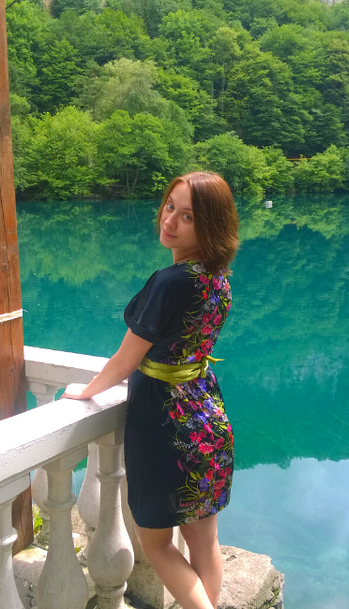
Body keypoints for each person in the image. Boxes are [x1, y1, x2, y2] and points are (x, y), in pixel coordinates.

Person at [64, 171, 238, 609]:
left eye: (188, 216)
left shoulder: (171, 281)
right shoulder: (218, 279)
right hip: (208, 418)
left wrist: (86, 393)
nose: (171, 221)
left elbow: (125, 361)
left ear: (212, 226)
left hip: (166, 427)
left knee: (157, 545)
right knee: (204, 542)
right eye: (170, 207)